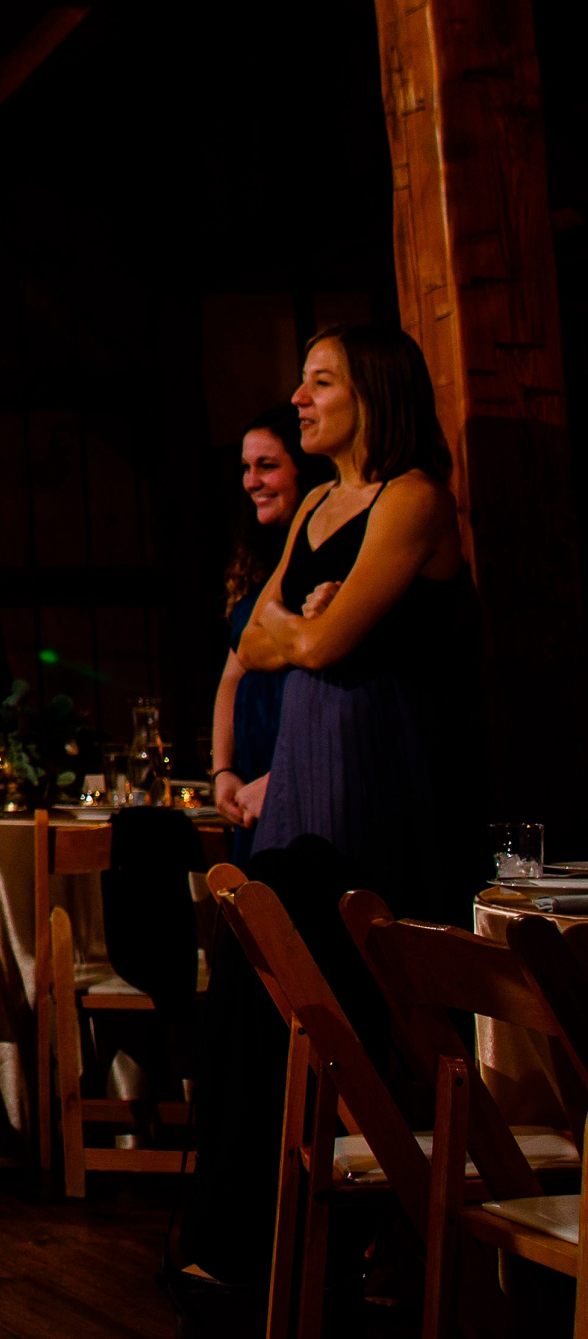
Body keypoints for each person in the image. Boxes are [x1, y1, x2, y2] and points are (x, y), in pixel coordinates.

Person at [235, 325, 472, 916]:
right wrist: (303, 625)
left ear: (373, 395)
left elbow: (317, 645)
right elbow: (248, 643)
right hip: (303, 756)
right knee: (287, 930)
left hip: (379, 759)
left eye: (321, 382)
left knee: (362, 929)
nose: (298, 398)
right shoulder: (314, 502)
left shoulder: (412, 497)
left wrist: (296, 624)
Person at [209, 404, 328, 841]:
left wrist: (286, 779)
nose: (251, 480)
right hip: (249, 784)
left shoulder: (322, 561)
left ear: (305, 470)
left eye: (268, 466)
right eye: (246, 467)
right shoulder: (260, 562)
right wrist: (223, 770)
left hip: (303, 778)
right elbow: (231, 677)